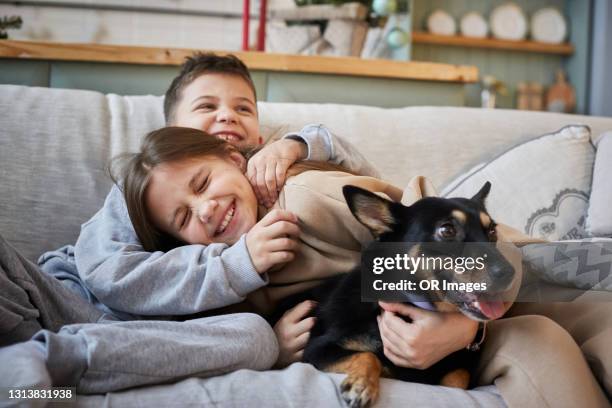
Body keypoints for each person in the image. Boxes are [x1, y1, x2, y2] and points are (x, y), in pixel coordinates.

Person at [123, 126, 610, 407]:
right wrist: (272, 343)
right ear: (176, 243)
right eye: (184, 217)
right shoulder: (215, 280)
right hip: (456, 312)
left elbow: (427, 215)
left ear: (237, 160)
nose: (205, 209)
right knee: (547, 342)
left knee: (594, 312)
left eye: (205, 182)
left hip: (496, 282)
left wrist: (463, 328)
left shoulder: (304, 195)